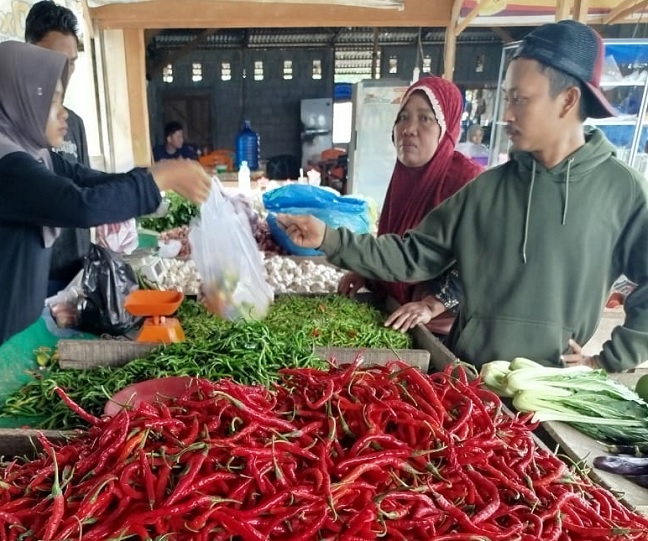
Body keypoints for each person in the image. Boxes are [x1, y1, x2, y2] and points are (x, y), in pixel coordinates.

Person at [277, 20, 648, 373]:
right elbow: (411, 255)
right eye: (507, 98)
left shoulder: (622, 192)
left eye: (520, 100)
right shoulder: (487, 190)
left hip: (549, 389)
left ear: (567, 101)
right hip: (468, 379)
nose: (507, 113)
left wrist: (607, 361)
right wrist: (327, 238)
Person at [0, 41, 211, 393]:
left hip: (4, 341)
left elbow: (90, 180)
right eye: (51, 101)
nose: (63, 113)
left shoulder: (34, 155)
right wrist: (162, 179)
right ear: (17, 103)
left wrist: (161, 173)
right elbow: (83, 206)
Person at [338, 77, 483, 337]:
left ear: (447, 128)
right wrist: (369, 271)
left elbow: (482, 259)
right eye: (403, 117)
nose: (408, 129)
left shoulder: (467, 181)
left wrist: (432, 304)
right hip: (400, 316)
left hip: (445, 332)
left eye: (425, 119)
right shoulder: (404, 177)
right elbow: (401, 247)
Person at [25, 0, 91, 295]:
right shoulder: (9, 125)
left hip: (78, 273)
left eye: (72, 62)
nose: (64, 72)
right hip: (33, 280)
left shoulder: (73, 123)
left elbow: (86, 190)